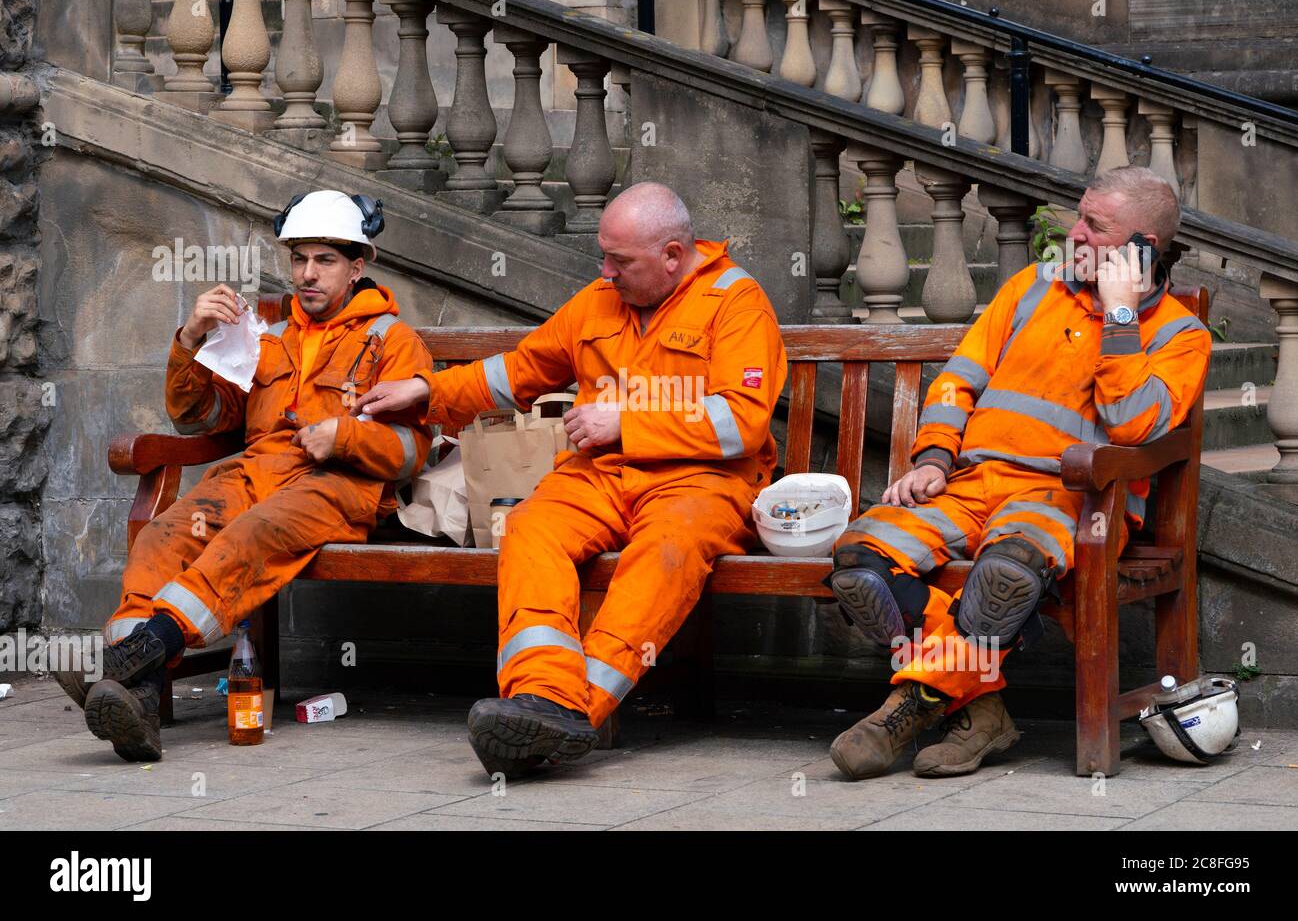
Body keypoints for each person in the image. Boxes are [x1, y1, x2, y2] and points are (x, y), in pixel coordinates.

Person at [354, 182, 788, 778]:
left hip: (701, 483)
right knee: (530, 529)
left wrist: (626, 422)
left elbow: (742, 421)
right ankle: (540, 697)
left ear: (671, 254)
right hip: (601, 477)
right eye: (603, 256)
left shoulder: (737, 302)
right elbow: (521, 370)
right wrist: (430, 391)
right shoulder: (597, 300)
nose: (605, 272)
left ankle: (572, 710)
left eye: (620, 261)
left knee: (666, 550)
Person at [825, 166, 1211, 780]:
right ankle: (983, 710)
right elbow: (959, 379)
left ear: (1143, 248)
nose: (1075, 232)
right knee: (858, 565)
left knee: (1004, 577)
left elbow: (1134, 424)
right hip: (969, 483)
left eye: (1096, 226)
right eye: (1079, 216)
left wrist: (1119, 318)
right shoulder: (1034, 286)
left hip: (1073, 500)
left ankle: (909, 706)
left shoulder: (1181, 335)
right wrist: (932, 458)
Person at [57, 190, 434, 762]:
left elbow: (410, 452)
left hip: (336, 485)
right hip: (254, 473)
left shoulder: (392, 342)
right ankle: (135, 694)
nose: (308, 274)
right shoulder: (268, 337)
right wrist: (189, 339)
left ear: (358, 267)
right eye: (299, 258)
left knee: (247, 536)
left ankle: (131, 660)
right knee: (162, 534)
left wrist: (345, 436)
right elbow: (200, 418)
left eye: (325, 260)